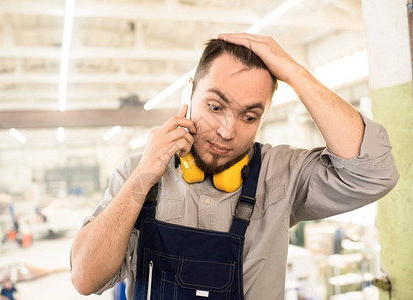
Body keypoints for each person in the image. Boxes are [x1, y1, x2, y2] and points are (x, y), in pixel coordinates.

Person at [70, 33, 399, 299]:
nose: (227, 131)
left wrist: (294, 73)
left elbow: (373, 172)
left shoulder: (280, 174)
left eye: (249, 116)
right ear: (191, 91)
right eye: (215, 106)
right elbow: (86, 279)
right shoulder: (139, 172)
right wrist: (143, 176)